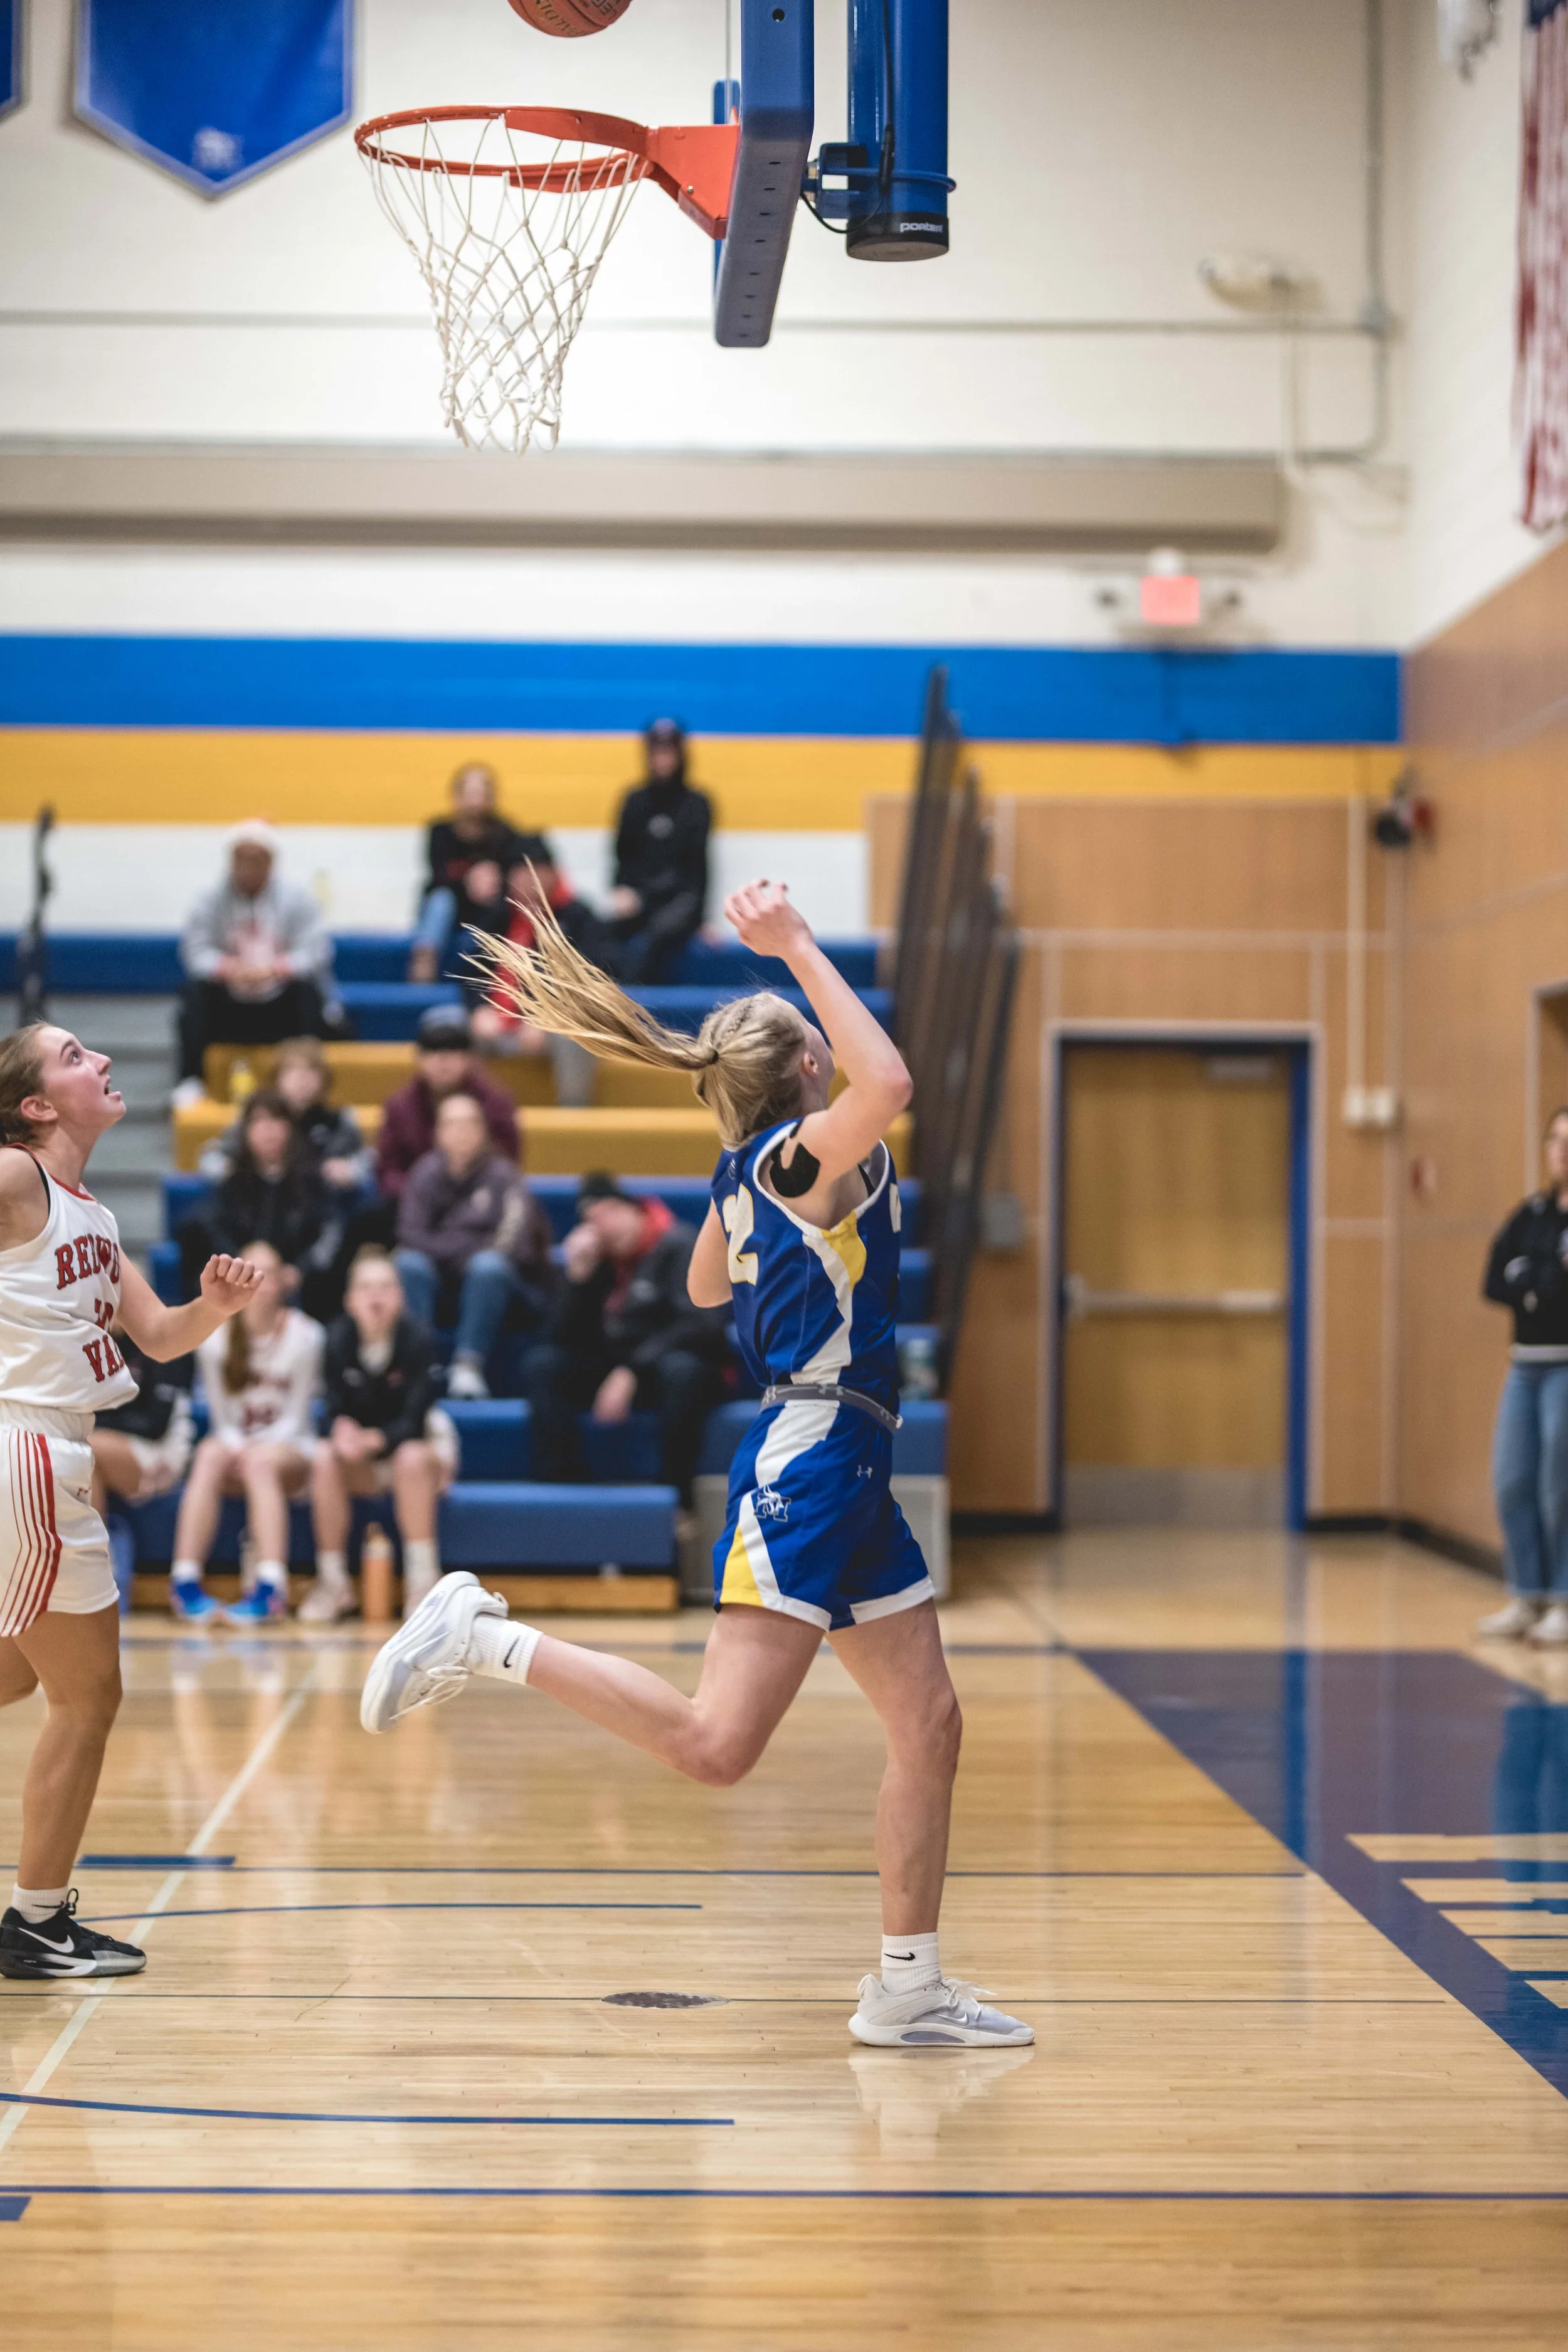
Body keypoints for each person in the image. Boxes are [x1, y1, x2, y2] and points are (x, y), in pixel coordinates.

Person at [360, 880, 1032, 2052]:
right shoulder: (794, 1162)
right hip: (815, 1452)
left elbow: (703, 1284)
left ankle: (908, 1986)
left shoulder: (752, 1173)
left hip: (848, 1460)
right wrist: (800, 947)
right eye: (820, 1036)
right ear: (809, 1063)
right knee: (719, 1747)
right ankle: (485, 1638)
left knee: (929, 1721)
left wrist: (757, 1182)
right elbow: (890, 1083)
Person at [0, 1021, 260, 1981]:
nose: (102, 1059)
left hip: (49, 1449)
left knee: (17, 1679)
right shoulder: (16, 1173)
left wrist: (216, 1309)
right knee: (89, 1695)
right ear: (36, 1105)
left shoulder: (93, 1218)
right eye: (74, 1056)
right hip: (26, 1445)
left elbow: (157, 1335)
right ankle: (35, 1923)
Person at [521, 1172, 728, 1502]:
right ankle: (563, 1486)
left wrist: (632, 1370)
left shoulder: (680, 1244)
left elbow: (702, 1326)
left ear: (633, 1210)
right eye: (591, 1221)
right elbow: (557, 1337)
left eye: (608, 1214)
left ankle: (677, 1497)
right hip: (614, 1366)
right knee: (543, 1364)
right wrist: (577, 1280)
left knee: (682, 1371)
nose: (601, 1228)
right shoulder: (598, 1260)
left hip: (668, 1366)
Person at [169, 1241, 325, 1627]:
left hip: (291, 1449)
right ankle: (184, 1582)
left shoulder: (307, 1335)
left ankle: (271, 1588)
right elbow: (221, 1420)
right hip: (236, 1446)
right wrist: (240, 1446)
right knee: (208, 1454)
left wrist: (255, 1448)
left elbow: (297, 1418)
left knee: (259, 1463)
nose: (262, 1282)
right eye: (253, 1272)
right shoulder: (215, 1338)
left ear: (285, 1281)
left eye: (269, 1273)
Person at [305, 1249, 457, 1624]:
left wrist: (375, 1439)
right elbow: (330, 1410)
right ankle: (333, 1582)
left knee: (411, 1457)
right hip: (362, 1460)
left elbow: (415, 1421)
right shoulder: (337, 1339)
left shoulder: (418, 1339)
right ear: (350, 1300)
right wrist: (340, 1431)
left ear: (400, 1297)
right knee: (324, 1457)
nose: (376, 1297)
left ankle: (423, 1584)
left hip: (414, 1452)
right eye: (366, 1288)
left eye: (386, 1287)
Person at [395, 1093, 555, 1401]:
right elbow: (409, 1235)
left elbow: (516, 1246)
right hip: (442, 1283)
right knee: (409, 1264)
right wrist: (468, 1247)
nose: (462, 1132)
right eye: (452, 1124)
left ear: (483, 1132)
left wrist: (452, 1249)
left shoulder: (504, 1175)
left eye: (470, 1124)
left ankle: (468, 1366)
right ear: (438, 1134)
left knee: (488, 1266)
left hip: (501, 1289)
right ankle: (422, 1363)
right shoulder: (424, 1173)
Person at [1480, 1105, 1568, 1645]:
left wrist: (1534, 1280)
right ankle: (1527, 1593)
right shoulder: (1531, 1215)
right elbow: (1496, 1279)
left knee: (1559, 1485)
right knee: (1512, 1478)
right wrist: (1542, 1278)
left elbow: (1551, 1289)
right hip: (1525, 1365)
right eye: (1556, 1139)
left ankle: (1563, 1598)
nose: (1563, 1149)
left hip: (1566, 1365)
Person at [176, 820, 341, 1094]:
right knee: (194, 994)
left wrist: (276, 969)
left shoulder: (298, 897)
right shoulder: (208, 899)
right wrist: (229, 968)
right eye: (242, 858)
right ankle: (192, 1080)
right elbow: (195, 952)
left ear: (271, 861)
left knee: (309, 993)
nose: (249, 867)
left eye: (257, 859)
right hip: (230, 1000)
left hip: (280, 999)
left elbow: (316, 951)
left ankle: (307, 1081)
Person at [178, 1087, 344, 1323]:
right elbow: (215, 1229)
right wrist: (240, 1264)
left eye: (277, 1119)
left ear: (291, 1128)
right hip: (238, 1276)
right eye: (259, 1121)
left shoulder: (313, 1180)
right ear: (246, 1131)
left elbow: (331, 1231)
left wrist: (301, 1271)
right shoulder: (232, 1181)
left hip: (300, 1285)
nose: (268, 1129)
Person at [468, 847, 610, 1107]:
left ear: (553, 874)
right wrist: (479, 1009)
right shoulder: (499, 917)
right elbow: (472, 969)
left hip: (554, 1024)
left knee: (573, 1037)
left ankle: (574, 1112)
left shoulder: (578, 917)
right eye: (520, 874)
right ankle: (467, 1115)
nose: (527, 882)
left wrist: (546, 1017)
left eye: (535, 873)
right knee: (448, 1026)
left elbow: (591, 978)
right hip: (498, 1024)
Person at [89, 1330, 196, 1604]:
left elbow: (155, 1424)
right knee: (65, 1450)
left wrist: (97, 1424)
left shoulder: (162, 1334)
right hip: (112, 1443)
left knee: (85, 1451)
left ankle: (98, 1564)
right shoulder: (90, 1340)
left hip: (161, 1450)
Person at [375, 1005, 520, 1205]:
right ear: (419, 1056)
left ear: (470, 1056)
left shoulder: (496, 1104)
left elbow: (507, 1166)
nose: (443, 1059)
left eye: (454, 1047)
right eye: (433, 1048)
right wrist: (425, 1195)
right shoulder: (399, 1107)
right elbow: (388, 1173)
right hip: (413, 1206)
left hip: (482, 1209)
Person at [608, 718, 712, 983]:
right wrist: (621, 889)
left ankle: (631, 995)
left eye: (669, 752)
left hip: (681, 902)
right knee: (602, 931)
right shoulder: (634, 800)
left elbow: (700, 865)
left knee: (658, 934)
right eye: (657, 752)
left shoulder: (697, 804)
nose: (663, 760)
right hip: (641, 898)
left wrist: (703, 918)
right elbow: (622, 855)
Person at [199, 1035, 368, 1194]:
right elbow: (213, 1158)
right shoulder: (256, 1119)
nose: (302, 1079)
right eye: (292, 1070)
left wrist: (351, 1170)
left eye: (311, 1070)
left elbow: (367, 1161)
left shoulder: (338, 1122)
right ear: (277, 1078)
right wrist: (234, 1173)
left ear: (325, 1079)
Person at [408, 763, 524, 982]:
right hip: (450, 906)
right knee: (441, 901)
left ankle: (484, 972)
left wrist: (492, 882)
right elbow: (438, 873)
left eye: (481, 793)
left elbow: (514, 875)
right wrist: (469, 880)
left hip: (488, 908)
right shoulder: (440, 831)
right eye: (470, 792)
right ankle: (424, 964)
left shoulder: (505, 832)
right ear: (457, 795)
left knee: (501, 906)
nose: (476, 800)